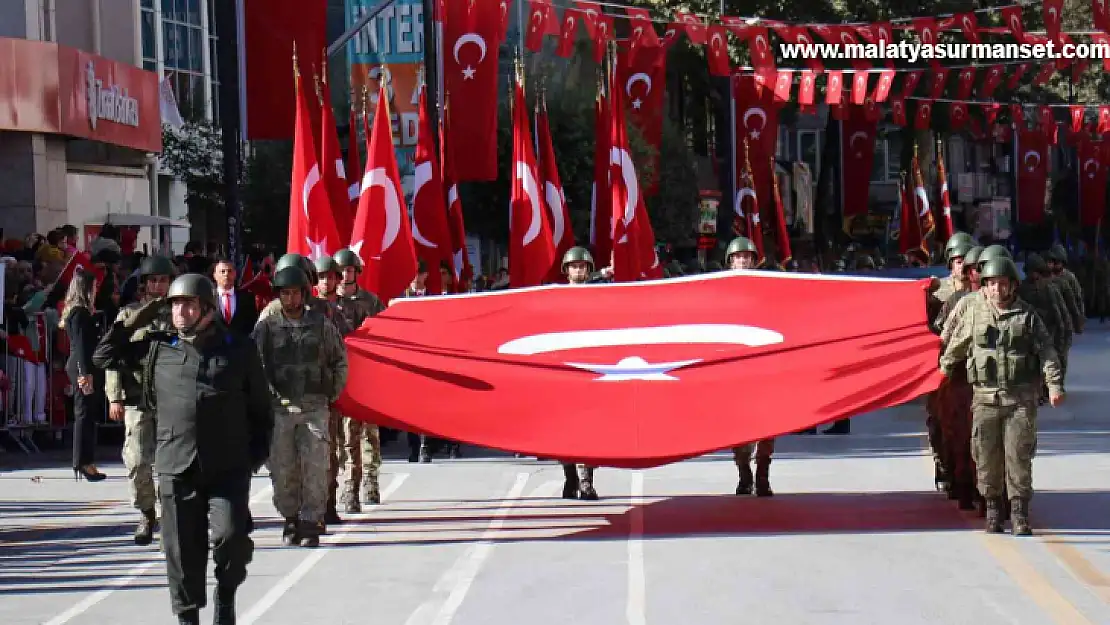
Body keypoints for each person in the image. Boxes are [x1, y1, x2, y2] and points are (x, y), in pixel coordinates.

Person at [92, 274, 272, 625]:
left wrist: (251, 459)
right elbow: (103, 354)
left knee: (231, 539)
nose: (180, 311)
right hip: (176, 463)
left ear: (207, 309)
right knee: (180, 550)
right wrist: (146, 312)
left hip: (227, 467)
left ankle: (226, 597)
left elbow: (261, 410)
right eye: (175, 304)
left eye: (188, 304)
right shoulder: (161, 344)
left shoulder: (238, 347)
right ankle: (187, 617)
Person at [939, 257, 1064, 536]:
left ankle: (1019, 512)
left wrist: (1054, 385)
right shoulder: (974, 313)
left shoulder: (1027, 316)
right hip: (985, 398)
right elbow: (957, 345)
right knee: (985, 456)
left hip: (1020, 399)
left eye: (1002, 284)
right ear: (985, 285)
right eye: (992, 284)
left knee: (1018, 456)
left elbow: (1047, 352)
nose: (997, 289)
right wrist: (942, 371)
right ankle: (993, 509)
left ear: (1012, 286)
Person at [252, 266, 347, 547]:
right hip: (280, 408)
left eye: (295, 293)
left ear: (304, 294)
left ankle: (311, 521)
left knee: (316, 466)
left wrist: (331, 393)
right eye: (285, 293)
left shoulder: (321, 325)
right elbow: (255, 365)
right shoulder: (266, 327)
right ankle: (290, 518)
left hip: (314, 406)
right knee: (283, 468)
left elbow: (339, 360)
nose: (290, 299)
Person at [105, 255, 175, 544]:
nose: (158, 285)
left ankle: (172, 516)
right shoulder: (128, 316)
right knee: (136, 461)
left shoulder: (181, 312)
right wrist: (114, 397)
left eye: (163, 280)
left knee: (173, 463)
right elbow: (113, 356)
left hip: (172, 399)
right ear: (144, 284)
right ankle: (147, 512)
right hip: (137, 398)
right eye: (153, 280)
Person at [332, 248, 386, 512]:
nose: (345, 275)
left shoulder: (371, 302)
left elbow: (385, 333)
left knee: (369, 432)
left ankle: (370, 479)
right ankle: (349, 486)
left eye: (349, 270)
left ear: (356, 272)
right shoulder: (328, 303)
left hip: (366, 375)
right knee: (345, 434)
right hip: (339, 377)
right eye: (340, 271)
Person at [723, 237, 776, 496]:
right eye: (738, 257)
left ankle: (763, 474)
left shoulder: (767, 290)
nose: (742, 261)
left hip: (762, 367)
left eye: (747, 257)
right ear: (730, 262)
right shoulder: (719, 291)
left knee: (768, 424)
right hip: (735, 369)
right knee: (738, 426)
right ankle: (744, 472)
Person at [558, 247, 602, 500]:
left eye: (582, 267)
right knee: (565, 431)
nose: (578, 270)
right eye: (574, 266)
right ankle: (570, 477)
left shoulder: (598, 297)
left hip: (590, 370)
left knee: (589, 430)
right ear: (567, 271)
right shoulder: (557, 297)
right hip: (564, 371)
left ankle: (586, 481)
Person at [62, 271, 106, 482]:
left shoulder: (80, 312)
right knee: (84, 413)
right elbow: (80, 345)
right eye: (93, 287)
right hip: (82, 365)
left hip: (85, 364)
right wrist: (84, 373)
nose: (95, 291)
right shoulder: (78, 313)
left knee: (88, 413)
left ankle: (86, 460)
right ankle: (82, 461)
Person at [212, 257, 258, 337]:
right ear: (215, 276)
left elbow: (252, 324)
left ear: (235, 274)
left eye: (229, 271)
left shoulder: (247, 297)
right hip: (215, 346)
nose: (226, 274)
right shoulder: (209, 297)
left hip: (240, 346)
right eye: (222, 271)